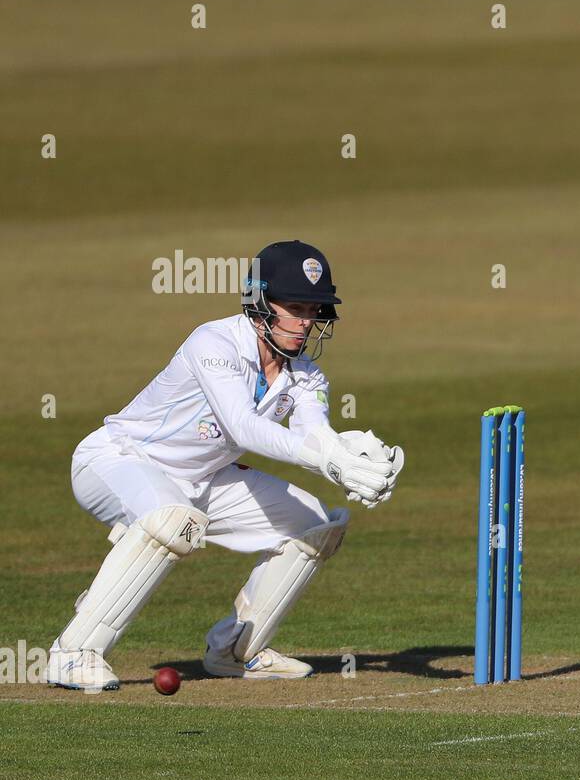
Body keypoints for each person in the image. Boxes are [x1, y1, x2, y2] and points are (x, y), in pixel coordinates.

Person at [48, 240, 404, 692]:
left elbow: (315, 436)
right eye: (294, 307)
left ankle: (237, 653)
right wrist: (328, 459)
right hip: (120, 459)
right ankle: (72, 654)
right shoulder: (213, 342)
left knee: (314, 524)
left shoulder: (308, 374)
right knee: (171, 520)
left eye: (314, 309)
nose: (306, 321)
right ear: (259, 302)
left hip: (205, 479)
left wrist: (350, 460)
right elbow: (242, 427)